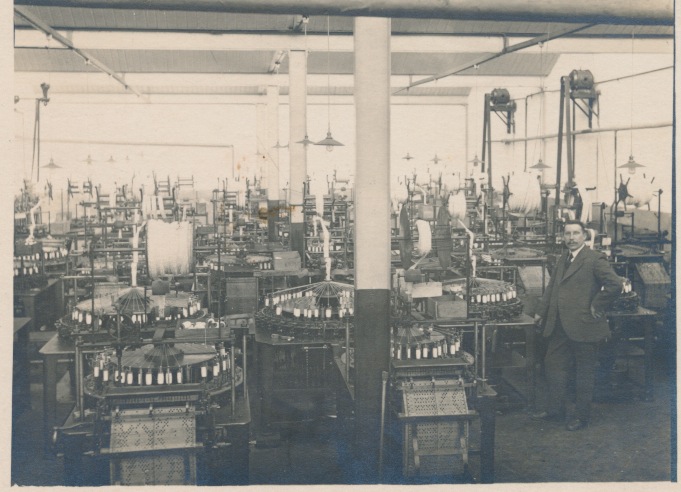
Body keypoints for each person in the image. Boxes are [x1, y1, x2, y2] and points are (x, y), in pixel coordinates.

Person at [532, 220, 622, 431]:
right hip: (559, 324)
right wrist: (540, 312)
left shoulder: (594, 258)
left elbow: (615, 284)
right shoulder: (563, 258)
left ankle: (582, 417)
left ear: (584, 236)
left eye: (575, 233)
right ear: (563, 237)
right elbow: (552, 288)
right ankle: (556, 410)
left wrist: (597, 304)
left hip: (584, 324)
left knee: (584, 373)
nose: (571, 238)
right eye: (567, 234)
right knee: (553, 365)